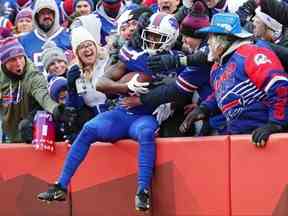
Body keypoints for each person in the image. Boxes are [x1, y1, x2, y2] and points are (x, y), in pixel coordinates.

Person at [37, 12, 179, 212]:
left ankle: (143, 191)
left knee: (146, 133)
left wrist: (152, 95)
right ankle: (60, 185)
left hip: (146, 115)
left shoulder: (178, 59)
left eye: (158, 37)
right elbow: (101, 82)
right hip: (123, 112)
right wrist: (126, 86)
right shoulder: (134, 53)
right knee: (88, 128)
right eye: (150, 35)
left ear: (171, 37)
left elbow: (180, 90)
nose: (151, 40)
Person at [179, 12, 288, 147]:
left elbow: (279, 85)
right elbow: (221, 91)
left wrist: (276, 124)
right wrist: (204, 108)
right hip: (240, 137)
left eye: (211, 37)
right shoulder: (216, 67)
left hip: (268, 137)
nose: (208, 42)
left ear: (224, 39)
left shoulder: (251, 53)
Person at [0, 35, 64, 143]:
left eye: (20, 57)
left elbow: (43, 95)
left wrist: (56, 109)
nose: (19, 63)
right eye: (13, 60)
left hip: (29, 131)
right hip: (8, 135)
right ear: (4, 62)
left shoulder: (33, 75)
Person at [19, 0, 71, 71]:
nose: (46, 16)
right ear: (36, 16)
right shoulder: (24, 41)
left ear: (55, 14)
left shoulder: (69, 36)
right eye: (42, 13)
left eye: (49, 12)